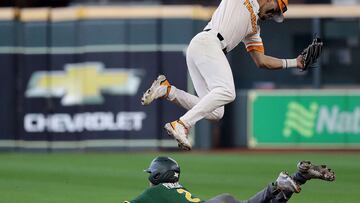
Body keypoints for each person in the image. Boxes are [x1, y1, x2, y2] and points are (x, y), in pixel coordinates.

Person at [140, 0, 318, 150]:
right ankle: (182, 124)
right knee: (227, 91)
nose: (273, 15)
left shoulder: (254, 27)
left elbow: (261, 61)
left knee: (216, 112)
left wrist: (296, 62)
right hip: (208, 43)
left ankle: (168, 90)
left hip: (205, 48)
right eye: (275, 10)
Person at [124, 156, 335, 203]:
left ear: (156, 174)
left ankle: (278, 184)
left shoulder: (153, 193)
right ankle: (300, 177)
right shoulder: (176, 188)